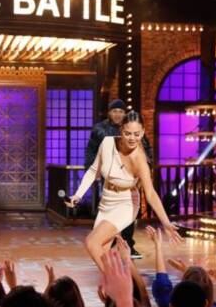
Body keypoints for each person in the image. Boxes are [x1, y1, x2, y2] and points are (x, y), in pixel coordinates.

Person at [67, 111, 181, 270]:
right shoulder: (107, 143)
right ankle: (118, 283)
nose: (132, 138)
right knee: (102, 254)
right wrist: (78, 194)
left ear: (142, 132)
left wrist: (166, 223)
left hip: (126, 203)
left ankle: (117, 280)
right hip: (106, 200)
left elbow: (150, 193)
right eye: (127, 133)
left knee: (92, 242)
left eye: (136, 134)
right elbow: (93, 171)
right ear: (121, 130)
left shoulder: (140, 160)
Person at [84, 99, 153, 259]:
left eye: (121, 112)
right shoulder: (100, 130)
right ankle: (105, 243)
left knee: (129, 211)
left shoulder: (131, 129)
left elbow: (146, 149)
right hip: (109, 176)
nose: (117, 114)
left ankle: (128, 245)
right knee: (108, 211)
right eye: (114, 111)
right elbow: (91, 151)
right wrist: (92, 172)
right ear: (109, 112)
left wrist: (146, 168)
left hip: (129, 176)